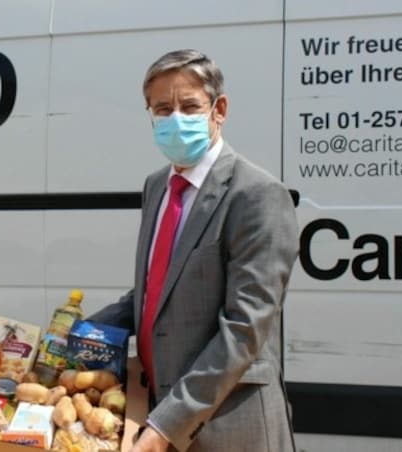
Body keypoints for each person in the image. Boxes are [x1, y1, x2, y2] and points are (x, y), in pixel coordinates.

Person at [88, 49, 299, 452]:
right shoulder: (157, 187)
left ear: (219, 109)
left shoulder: (257, 195)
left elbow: (244, 329)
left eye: (189, 106)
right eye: (163, 109)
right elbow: (154, 293)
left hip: (231, 429)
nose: (176, 120)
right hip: (157, 413)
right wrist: (73, 337)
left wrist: (167, 424)